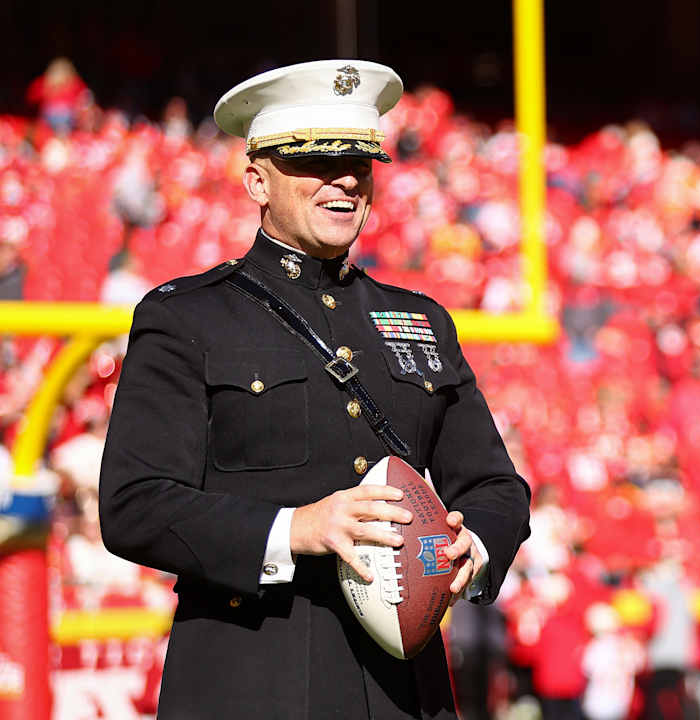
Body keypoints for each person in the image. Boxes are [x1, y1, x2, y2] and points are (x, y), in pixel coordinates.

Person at [98, 60, 531, 719]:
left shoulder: (419, 319)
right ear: (256, 180)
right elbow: (134, 504)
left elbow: (497, 487)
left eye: (360, 162)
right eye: (316, 162)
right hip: (252, 682)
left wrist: (473, 548)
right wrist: (295, 529)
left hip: (406, 693)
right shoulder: (187, 316)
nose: (346, 180)